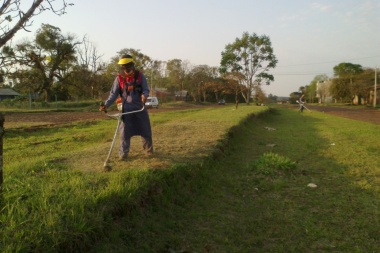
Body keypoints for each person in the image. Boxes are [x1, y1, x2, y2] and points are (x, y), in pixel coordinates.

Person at [100, 55, 153, 160]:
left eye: (127, 67)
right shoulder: (119, 78)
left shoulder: (140, 76)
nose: (126, 69)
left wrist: (144, 95)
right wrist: (106, 105)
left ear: (132, 66)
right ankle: (123, 154)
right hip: (126, 111)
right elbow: (113, 94)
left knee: (145, 130)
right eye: (123, 67)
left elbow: (146, 89)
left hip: (140, 109)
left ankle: (149, 151)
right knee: (124, 134)